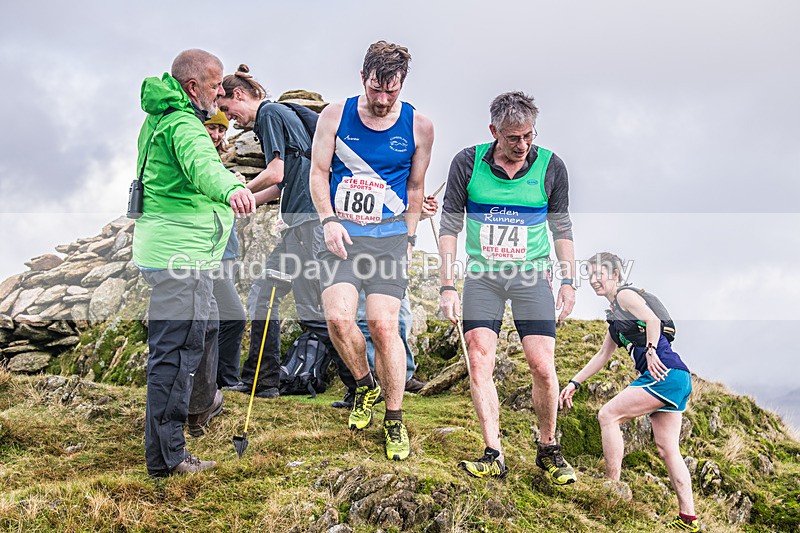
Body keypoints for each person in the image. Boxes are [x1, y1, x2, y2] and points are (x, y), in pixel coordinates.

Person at [438, 91, 577, 484]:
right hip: (483, 277)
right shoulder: (467, 163)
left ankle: (548, 448)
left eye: (529, 136)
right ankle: (493, 453)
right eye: (513, 137)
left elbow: (562, 228)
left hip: (531, 276)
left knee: (542, 366)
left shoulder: (551, 166)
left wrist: (569, 281)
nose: (522, 145)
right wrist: (447, 285)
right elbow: (449, 227)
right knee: (479, 359)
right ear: (494, 131)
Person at [133, 49, 256, 477]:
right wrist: (232, 189)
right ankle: (168, 459)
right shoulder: (184, 124)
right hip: (181, 257)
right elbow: (203, 166)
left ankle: (201, 404)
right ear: (193, 86)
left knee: (204, 330)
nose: (221, 92)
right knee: (174, 356)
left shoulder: (161, 118)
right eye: (216, 84)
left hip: (175, 253)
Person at [309, 41, 434, 461]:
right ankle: (365, 387)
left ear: (402, 84)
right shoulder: (334, 115)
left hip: (389, 238)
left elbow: (414, 187)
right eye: (376, 89)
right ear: (363, 78)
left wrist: (411, 239)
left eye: (391, 91)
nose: (382, 100)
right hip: (342, 236)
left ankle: (394, 420)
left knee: (383, 327)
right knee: (338, 319)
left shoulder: (419, 126)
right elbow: (318, 173)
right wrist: (328, 220)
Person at [217, 65, 353, 398]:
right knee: (282, 302)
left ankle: (360, 384)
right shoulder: (283, 115)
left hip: (307, 225)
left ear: (239, 95)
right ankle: (264, 382)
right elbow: (283, 184)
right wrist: (246, 201)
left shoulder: (269, 114)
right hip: (303, 224)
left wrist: (238, 190)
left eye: (227, 109)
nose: (229, 118)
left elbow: (275, 172)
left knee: (290, 304)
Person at [559, 253, 700, 532]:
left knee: (608, 415)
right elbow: (602, 355)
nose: (594, 279)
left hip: (664, 374)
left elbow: (652, 320)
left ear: (615, 275)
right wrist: (575, 382)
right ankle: (688, 519)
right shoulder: (615, 320)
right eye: (590, 274)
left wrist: (650, 351)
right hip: (677, 377)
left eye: (600, 273)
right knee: (668, 448)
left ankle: (612, 487)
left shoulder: (624, 296)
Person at [333, 195, 438, 408]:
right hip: (358, 247)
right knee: (367, 320)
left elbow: (402, 205)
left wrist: (419, 211)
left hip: (393, 249)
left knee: (399, 319)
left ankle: (402, 377)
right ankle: (369, 383)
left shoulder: (401, 182)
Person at [202, 110, 247, 392]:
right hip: (210, 254)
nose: (217, 135)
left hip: (226, 251)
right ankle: (225, 381)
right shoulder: (198, 162)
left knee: (219, 319)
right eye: (212, 128)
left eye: (221, 130)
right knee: (233, 317)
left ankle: (216, 382)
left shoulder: (218, 164)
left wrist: (234, 185)